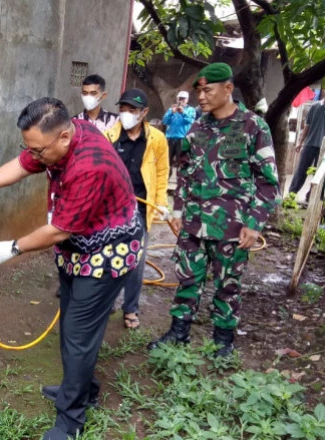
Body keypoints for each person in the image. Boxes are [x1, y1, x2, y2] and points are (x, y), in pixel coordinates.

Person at [0, 97, 143, 439]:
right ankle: (81, 388)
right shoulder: (60, 138)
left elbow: (60, 229)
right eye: (31, 147)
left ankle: (70, 422)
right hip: (78, 250)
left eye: (38, 150)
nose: (33, 155)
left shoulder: (89, 167)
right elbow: (23, 164)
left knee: (78, 335)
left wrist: (13, 247)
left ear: (64, 137)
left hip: (107, 254)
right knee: (73, 327)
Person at [147, 63, 280, 357]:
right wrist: (179, 212)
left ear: (228, 88)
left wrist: (254, 223)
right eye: (199, 90)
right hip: (194, 223)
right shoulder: (197, 127)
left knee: (228, 284)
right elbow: (184, 173)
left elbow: (268, 183)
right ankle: (178, 333)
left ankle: (223, 341)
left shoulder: (252, 127)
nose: (201, 96)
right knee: (187, 278)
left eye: (208, 90)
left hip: (232, 227)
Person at [103, 88, 170, 330]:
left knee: (136, 261)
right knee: (108, 257)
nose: (126, 114)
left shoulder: (157, 140)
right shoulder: (109, 136)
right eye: (123, 109)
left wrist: (161, 203)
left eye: (132, 110)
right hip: (111, 210)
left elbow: (162, 173)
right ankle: (107, 302)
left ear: (144, 113)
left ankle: (130, 308)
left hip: (141, 209)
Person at [288, 81, 325, 199]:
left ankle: (310, 198)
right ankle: (291, 195)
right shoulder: (315, 107)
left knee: (319, 174)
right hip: (310, 143)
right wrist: (300, 142)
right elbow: (307, 127)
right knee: (301, 171)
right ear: (324, 91)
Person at [162, 91, 196, 177]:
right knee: (166, 162)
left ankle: (180, 183)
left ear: (187, 100)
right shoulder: (172, 109)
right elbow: (165, 121)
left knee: (181, 162)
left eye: (183, 99)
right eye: (180, 98)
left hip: (183, 139)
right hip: (170, 138)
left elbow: (191, 121)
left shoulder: (191, 110)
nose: (181, 101)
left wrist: (183, 113)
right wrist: (171, 113)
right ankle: (165, 181)